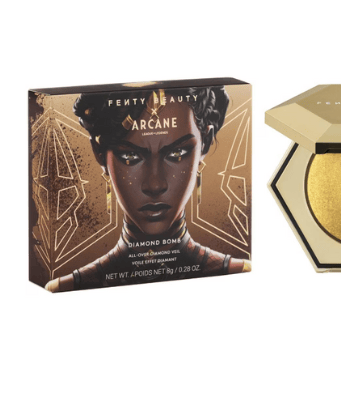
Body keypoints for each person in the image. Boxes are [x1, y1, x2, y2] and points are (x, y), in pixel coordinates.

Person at [45, 86, 250, 292]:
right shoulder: (63, 289)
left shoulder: (241, 275)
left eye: (177, 153)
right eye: (130, 156)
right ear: (99, 153)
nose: (155, 185)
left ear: (204, 143)